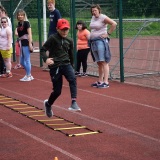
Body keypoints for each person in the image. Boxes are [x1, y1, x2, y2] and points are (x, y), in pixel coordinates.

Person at [40, 18, 81, 118]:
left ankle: (74, 102)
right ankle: (48, 104)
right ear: (57, 29)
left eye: (66, 29)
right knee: (57, 91)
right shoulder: (52, 38)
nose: (64, 31)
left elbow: (71, 55)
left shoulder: (70, 40)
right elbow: (43, 49)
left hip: (66, 64)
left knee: (72, 79)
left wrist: (72, 66)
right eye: (62, 29)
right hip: (55, 66)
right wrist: (46, 59)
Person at [89, 4, 117, 88]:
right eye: (92, 11)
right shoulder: (93, 17)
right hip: (93, 41)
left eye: (95, 10)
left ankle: (106, 82)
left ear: (99, 10)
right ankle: (100, 81)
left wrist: (108, 34)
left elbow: (114, 24)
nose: (94, 12)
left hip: (101, 41)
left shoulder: (103, 17)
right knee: (99, 62)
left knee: (103, 61)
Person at [43, 0, 62, 71]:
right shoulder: (50, 13)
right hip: (50, 33)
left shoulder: (56, 12)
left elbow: (59, 21)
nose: (49, 6)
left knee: (54, 49)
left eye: (50, 5)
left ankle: (55, 65)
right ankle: (51, 65)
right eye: (48, 5)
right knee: (50, 49)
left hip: (54, 34)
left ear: (53, 4)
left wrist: (58, 32)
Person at [16, 9, 34, 81]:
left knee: (27, 60)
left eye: (21, 15)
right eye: (19, 15)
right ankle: (28, 74)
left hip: (26, 42)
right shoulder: (19, 24)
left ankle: (28, 75)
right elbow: (18, 32)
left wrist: (30, 43)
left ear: (24, 16)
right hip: (22, 42)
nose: (20, 16)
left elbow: (30, 34)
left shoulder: (27, 23)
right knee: (22, 61)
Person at [0, 5, 12, 75]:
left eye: (5, 22)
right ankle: (7, 71)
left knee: (7, 60)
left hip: (7, 47)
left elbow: (9, 38)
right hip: (2, 46)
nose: (3, 23)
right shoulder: (2, 29)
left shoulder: (8, 29)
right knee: (5, 60)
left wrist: (8, 46)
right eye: (2, 22)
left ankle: (8, 72)